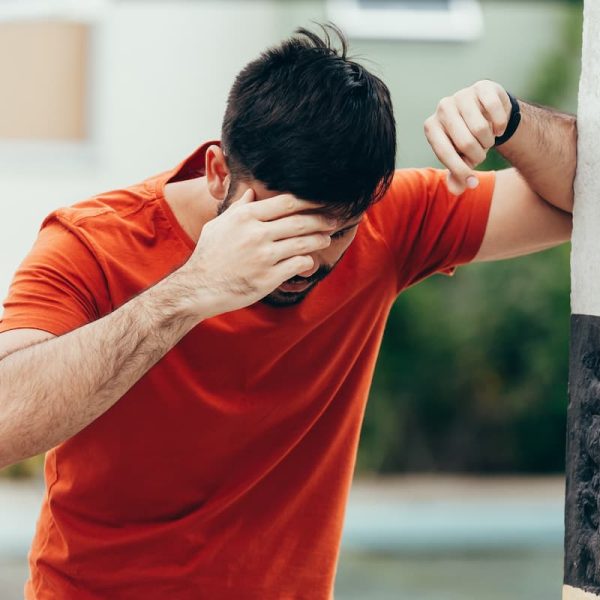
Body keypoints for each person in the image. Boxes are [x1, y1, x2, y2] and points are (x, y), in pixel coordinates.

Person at [0, 25, 574, 600]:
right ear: (219, 172)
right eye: (281, 227)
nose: (305, 261)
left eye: (334, 232)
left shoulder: (388, 219)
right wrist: (189, 291)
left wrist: (510, 119)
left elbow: (583, 199)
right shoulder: (92, 242)